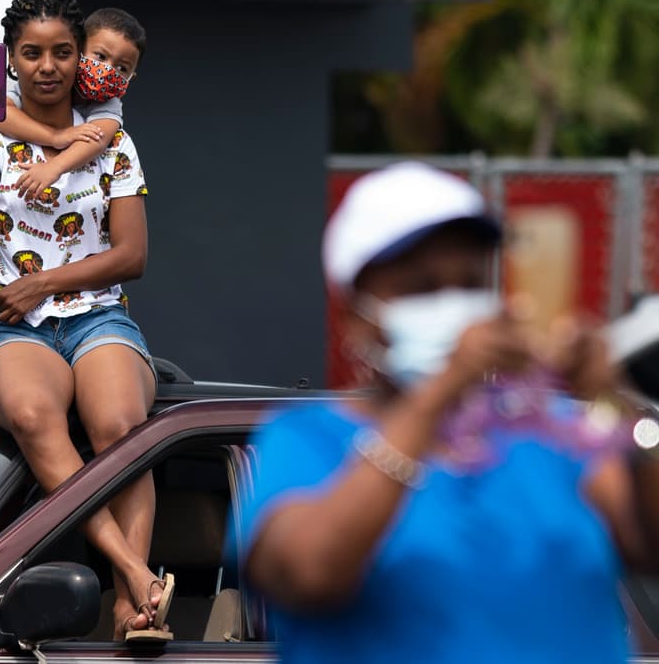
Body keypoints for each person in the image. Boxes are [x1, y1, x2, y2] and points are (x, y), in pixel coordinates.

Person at [239, 162, 659, 664]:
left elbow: (648, 547)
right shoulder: (306, 439)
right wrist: (440, 394)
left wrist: (619, 401)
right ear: (357, 316)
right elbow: (309, 574)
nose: (455, 306)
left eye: (470, 283)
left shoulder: (549, 432)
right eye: (422, 287)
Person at [0, 0, 173, 642]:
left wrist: (42, 281)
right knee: (32, 415)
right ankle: (136, 573)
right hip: (11, 329)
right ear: (10, 61)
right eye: (32, 53)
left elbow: (131, 256)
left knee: (120, 426)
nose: (48, 65)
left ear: (82, 59)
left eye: (63, 53)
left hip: (98, 317)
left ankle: (136, 615)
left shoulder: (113, 140)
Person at [0, 8, 147, 316]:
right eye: (100, 57)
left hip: (91, 313)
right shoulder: (24, 88)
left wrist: (55, 166)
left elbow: (99, 138)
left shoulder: (108, 106)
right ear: (79, 50)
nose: (107, 70)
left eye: (122, 69)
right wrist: (55, 136)